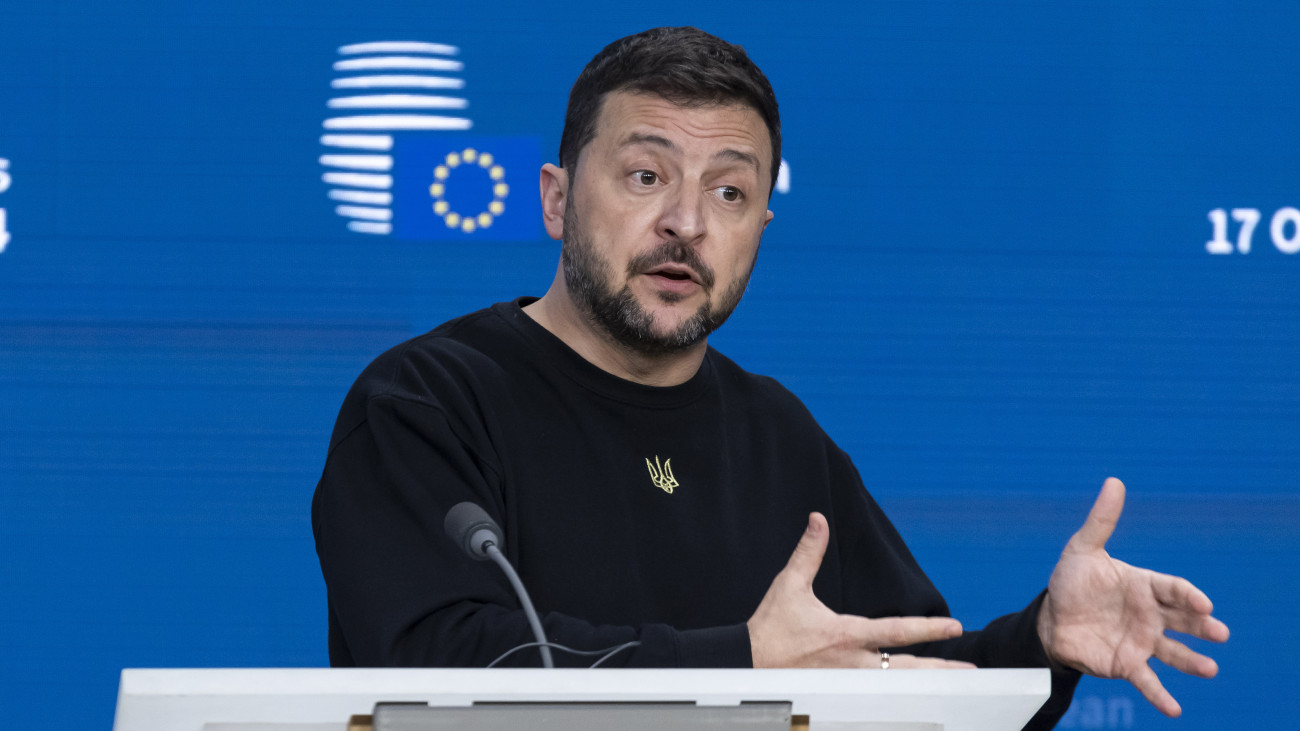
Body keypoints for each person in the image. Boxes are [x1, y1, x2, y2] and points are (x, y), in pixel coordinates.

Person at [312, 26, 1228, 729]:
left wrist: (1041, 641)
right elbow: (436, 666)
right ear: (555, 198)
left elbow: (903, 683)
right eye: (643, 175)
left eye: (729, 192)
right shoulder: (426, 401)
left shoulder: (777, 434)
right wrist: (743, 659)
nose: (685, 221)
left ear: (759, 230)